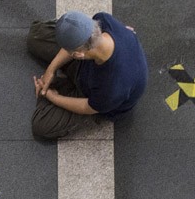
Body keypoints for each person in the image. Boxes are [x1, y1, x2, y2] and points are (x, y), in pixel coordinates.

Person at [27, 10, 148, 139]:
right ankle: (61, 85)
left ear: (78, 55)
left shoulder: (112, 85)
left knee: (42, 125)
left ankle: (63, 89)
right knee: (36, 34)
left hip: (96, 97)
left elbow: (88, 107)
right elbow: (78, 47)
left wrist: (53, 98)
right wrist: (50, 70)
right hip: (88, 66)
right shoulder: (103, 19)